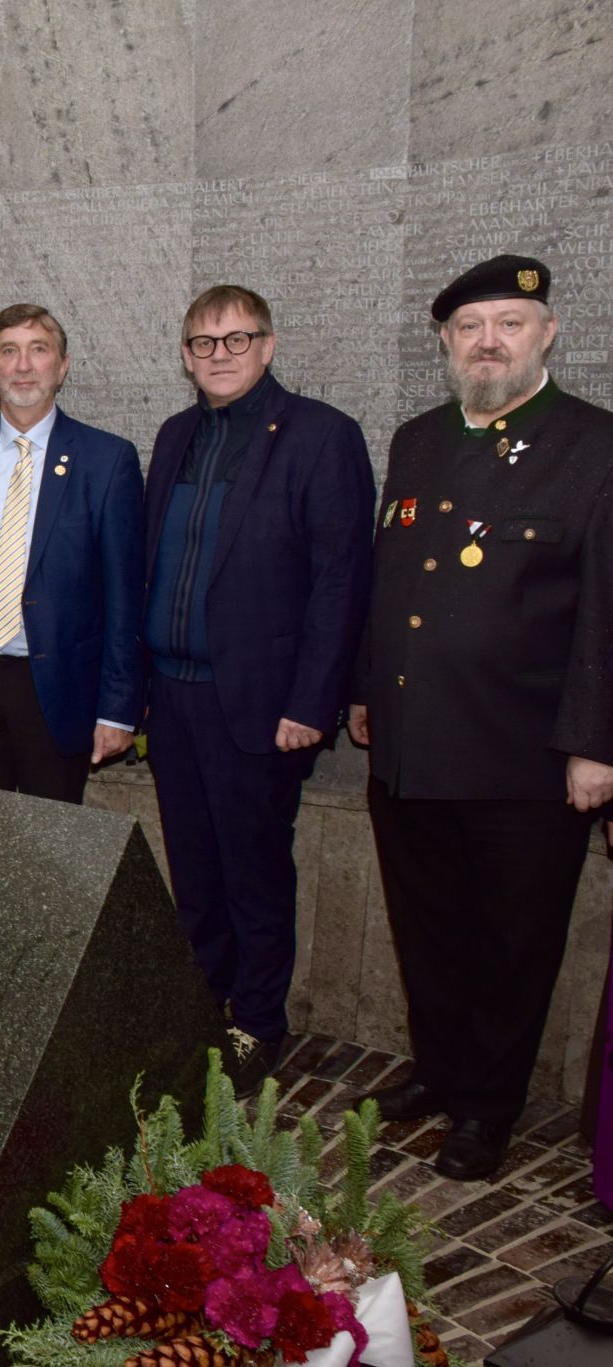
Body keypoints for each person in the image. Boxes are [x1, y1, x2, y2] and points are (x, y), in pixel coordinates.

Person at [350, 254, 613, 1181]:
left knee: (513, 937)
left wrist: (594, 741)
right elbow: (391, 583)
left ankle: (488, 1106)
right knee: (429, 925)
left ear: (546, 334)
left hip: (524, 759)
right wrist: (364, 689)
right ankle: (442, 1070)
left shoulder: (593, 445)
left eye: (508, 323)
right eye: (470, 327)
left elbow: (606, 607)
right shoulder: (417, 440)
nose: (488, 341)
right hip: (414, 745)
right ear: (449, 344)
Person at [142, 285, 375, 1085]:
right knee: (195, 872)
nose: (221, 354)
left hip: (258, 705)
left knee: (254, 872)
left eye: (238, 340)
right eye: (204, 342)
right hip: (170, 698)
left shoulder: (320, 437)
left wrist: (311, 703)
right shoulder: (175, 436)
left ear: (269, 347)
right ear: (185, 355)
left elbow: (340, 582)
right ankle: (198, 1006)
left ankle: (257, 1021)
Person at [0, 304, 144, 803]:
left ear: (62, 367)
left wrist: (117, 709)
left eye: (38, 350)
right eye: (9, 352)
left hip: (59, 686)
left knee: (51, 850)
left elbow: (126, 596)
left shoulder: (107, 460)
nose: (23, 365)